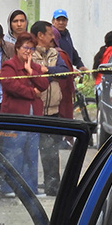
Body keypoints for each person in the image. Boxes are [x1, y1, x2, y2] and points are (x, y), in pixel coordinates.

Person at [0, 32, 47, 194]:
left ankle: (30, 188)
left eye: (31, 48)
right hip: (14, 116)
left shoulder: (35, 66)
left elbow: (44, 84)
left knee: (31, 154)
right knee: (13, 152)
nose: (28, 51)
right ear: (17, 48)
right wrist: (33, 92)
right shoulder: (9, 66)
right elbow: (12, 86)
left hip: (34, 117)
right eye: (25, 47)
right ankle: (8, 188)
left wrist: (31, 71)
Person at [31, 20, 72, 196]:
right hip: (36, 111)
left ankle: (53, 187)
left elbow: (63, 72)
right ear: (40, 36)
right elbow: (33, 77)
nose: (52, 38)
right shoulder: (30, 54)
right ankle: (30, 186)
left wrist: (46, 70)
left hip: (54, 111)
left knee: (52, 152)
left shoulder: (56, 53)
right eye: (49, 34)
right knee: (33, 151)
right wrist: (47, 75)